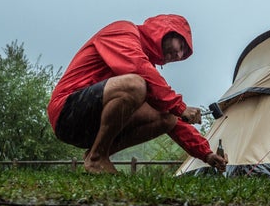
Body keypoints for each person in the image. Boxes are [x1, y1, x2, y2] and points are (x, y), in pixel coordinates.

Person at [47, 14, 227, 174]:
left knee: (168, 117)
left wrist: (207, 154)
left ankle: (97, 155)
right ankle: (97, 158)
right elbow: (137, 67)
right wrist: (180, 107)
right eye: (180, 45)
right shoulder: (124, 31)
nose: (178, 54)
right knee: (135, 84)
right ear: (166, 31)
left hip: (92, 127)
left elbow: (172, 114)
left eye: (183, 54)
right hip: (67, 113)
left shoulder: (148, 71)